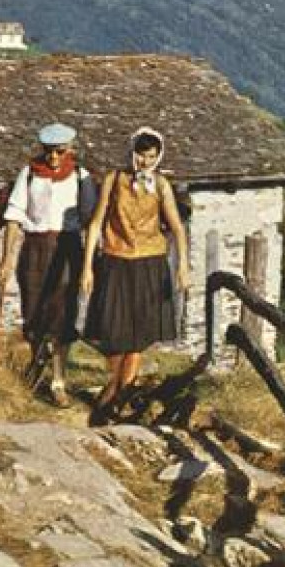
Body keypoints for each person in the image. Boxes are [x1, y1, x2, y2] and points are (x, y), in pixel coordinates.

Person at [80, 126, 190, 424]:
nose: (145, 162)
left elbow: (177, 228)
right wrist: (87, 266)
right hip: (115, 260)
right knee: (114, 334)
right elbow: (96, 223)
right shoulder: (114, 180)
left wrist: (183, 266)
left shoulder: (162, 185)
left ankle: (118, 397)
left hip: (150, 263)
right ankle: (114, 387)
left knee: (139, 335)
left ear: (159, 157)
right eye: (141, 155)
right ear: (132, 153)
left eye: (151, 157)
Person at [0, 122, 97, 407]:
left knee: (62, 315)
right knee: (34, 310)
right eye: (49, 152)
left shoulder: (81, 177)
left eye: (60, 152)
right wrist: (6, 258)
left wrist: (89, 263)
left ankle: (58, 380)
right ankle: (35, 365)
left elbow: (92, 222)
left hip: (67, 249)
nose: (54, 158)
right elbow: (14, 217)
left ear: (70, 149)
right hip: (35, 249)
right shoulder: (29, 174)